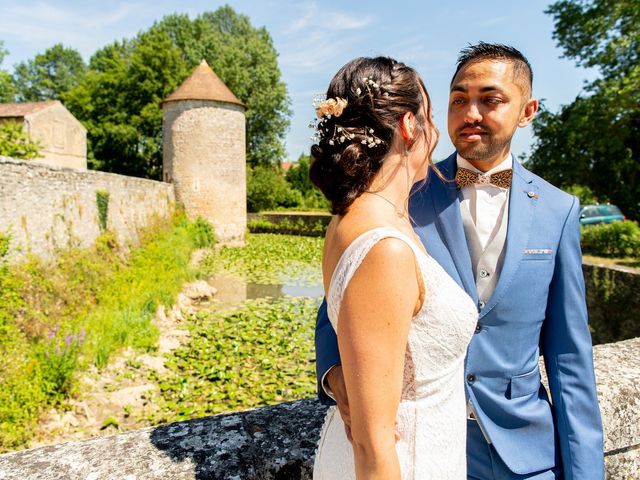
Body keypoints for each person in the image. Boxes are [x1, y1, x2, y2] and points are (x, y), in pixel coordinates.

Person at [315, 43, 605, 480]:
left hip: (526, 455)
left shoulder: (558, 210)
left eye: (490, 100)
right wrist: (335, 371)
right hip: (421, 447)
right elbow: (342, 294)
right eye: (457, 99)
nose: (470, 113)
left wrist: (586, 473)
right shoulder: (400, 193)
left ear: (527, 111)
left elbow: (569, 357)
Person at [311, 57, 478, 479]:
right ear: (408, 125)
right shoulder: (385, 246)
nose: (437, 133)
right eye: (431, 118)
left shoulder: (355, 217)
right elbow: (372, 442)